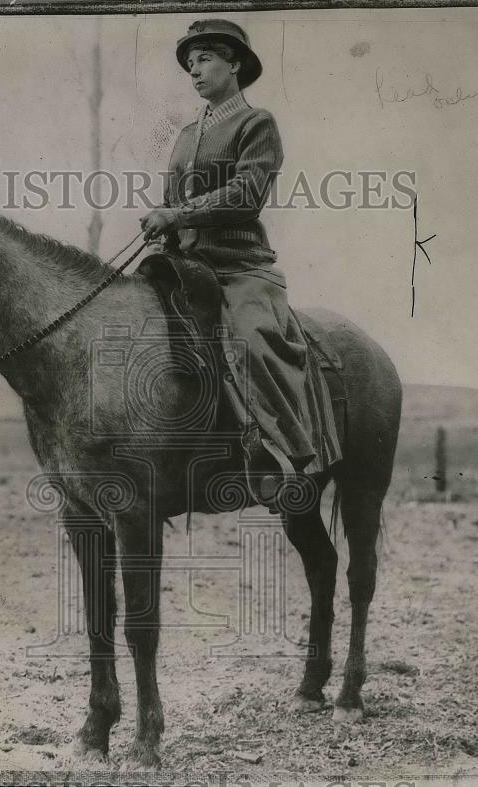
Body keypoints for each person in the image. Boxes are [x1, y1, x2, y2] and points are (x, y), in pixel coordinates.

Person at [140, 19, 339, 505]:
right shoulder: (186, 134)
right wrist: (164, 229)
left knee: (250, 339)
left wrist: (179, 212)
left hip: (238, 266)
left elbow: (247, 193)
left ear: (235, 64)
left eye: (205, 58)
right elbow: (172, 197)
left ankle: (280, 451)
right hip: (185, 265)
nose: (195, 71)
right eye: (190, 63)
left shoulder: (256, 123)